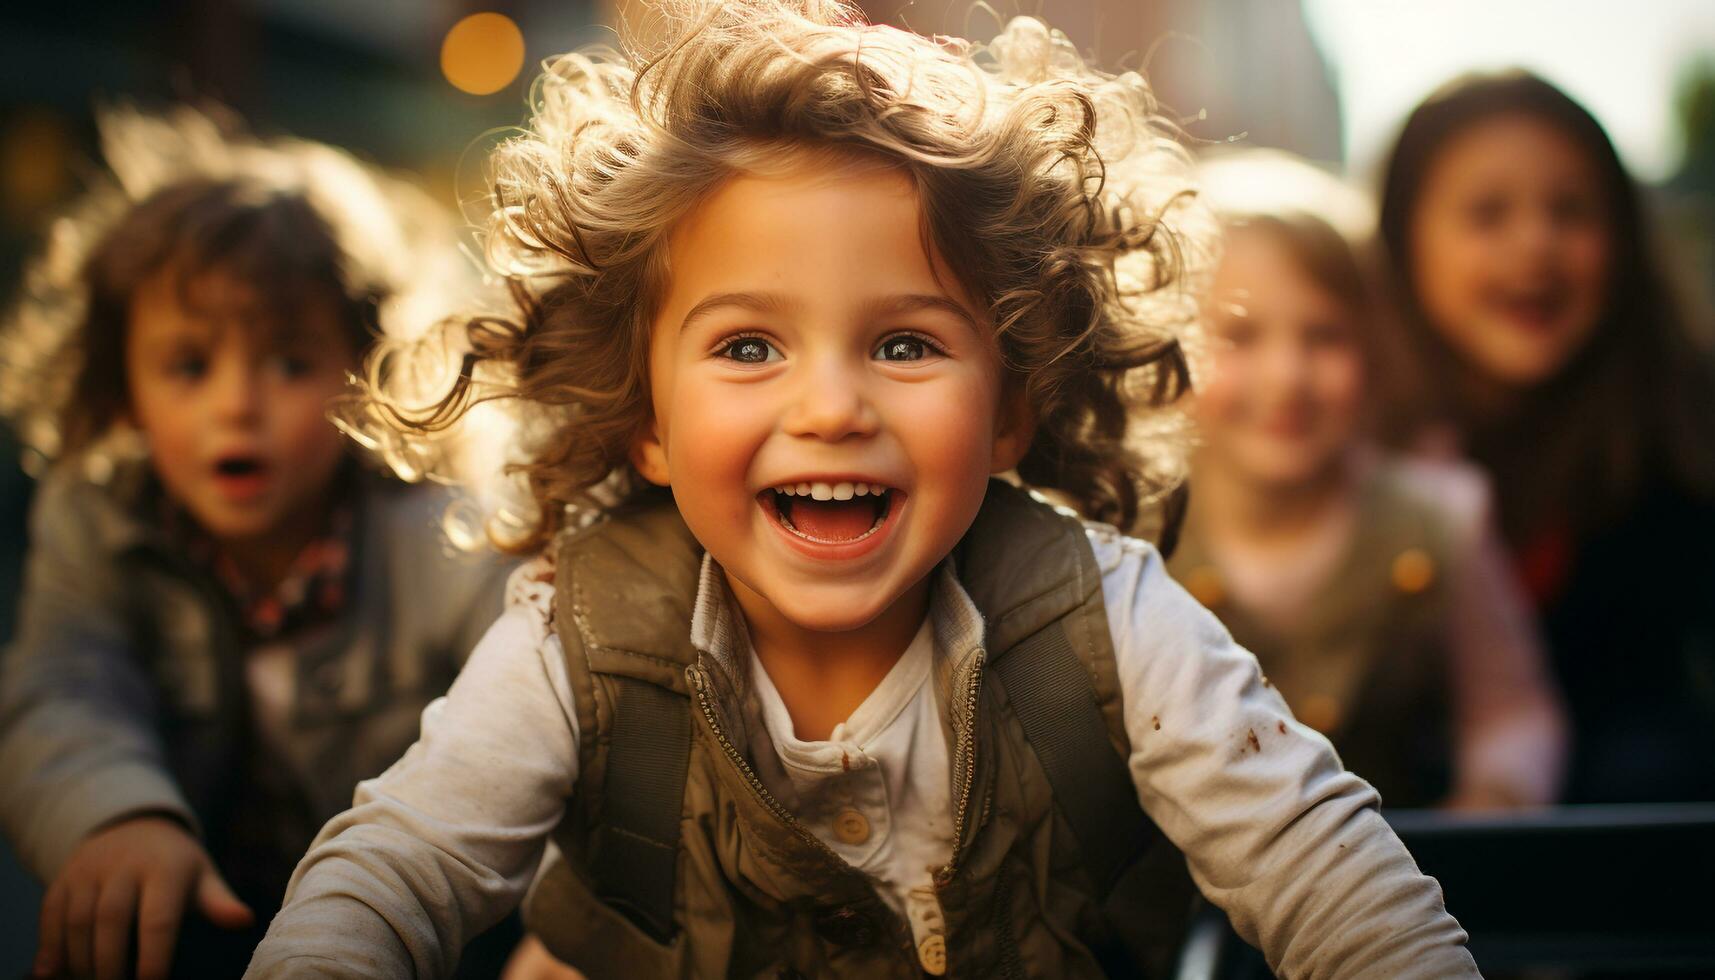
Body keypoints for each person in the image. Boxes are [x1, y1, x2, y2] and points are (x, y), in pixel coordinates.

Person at [248, 3, 1479, 976]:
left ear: (1010, 408)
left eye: (902, 344)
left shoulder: (1103, 619)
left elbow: (1314, 860)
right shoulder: (579, 636)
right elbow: (403, 862)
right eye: (747, 347)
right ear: (647, 423)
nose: (830, 405)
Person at [0, 106, 514, 978]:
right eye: (190, 365)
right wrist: (116, 817)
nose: (236, 404)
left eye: (287, 362)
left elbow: (527, 730)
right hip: (196, 927)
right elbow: (63, 689)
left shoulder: (440, 536)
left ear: (367, 378)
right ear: (122, 387)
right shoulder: (99, 521)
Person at [1375, 70, 1715, 803]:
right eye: (1487, 214)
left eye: (1570, 211)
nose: (1535, 244)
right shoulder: (1348, 456)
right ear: (1405, 242)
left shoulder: (1687, 432)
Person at [1167, 201, 1566, 810]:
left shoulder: (1441, 518)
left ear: (1372, 351)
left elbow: (1511, 713)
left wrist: (1493, 797)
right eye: (1240, 336)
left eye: (1323, 336)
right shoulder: (1127, 528)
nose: (1286, 377)